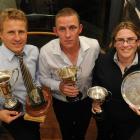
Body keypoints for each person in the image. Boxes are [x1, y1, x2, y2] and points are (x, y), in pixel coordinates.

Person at [39, 7, 100, 140]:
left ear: (80, 28)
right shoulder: (46, 52)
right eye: (62, 29)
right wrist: (58, 86)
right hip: (60, 101)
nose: (68, 34)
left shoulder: (94, 46)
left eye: (72, 27)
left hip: (86, 100)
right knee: (65, 131)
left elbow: (98, 72)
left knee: (81, 131)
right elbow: (42, 78)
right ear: (55, 31)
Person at [92, 21, 140, 140]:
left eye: (130, 39)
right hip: (105, 121)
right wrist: (96, 106)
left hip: (133, 124)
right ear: (114, 43)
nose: (125, 44)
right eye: (120, 40)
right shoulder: (102, 62)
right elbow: (96, 85)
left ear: (138, 42)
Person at [0, 8, 41, 140]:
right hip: (9, 116)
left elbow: (36, 76)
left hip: (33, 111)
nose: (17, 38)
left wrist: (38, 93)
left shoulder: (34, 51)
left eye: (21, 32)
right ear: (1, 34)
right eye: (11, 32)